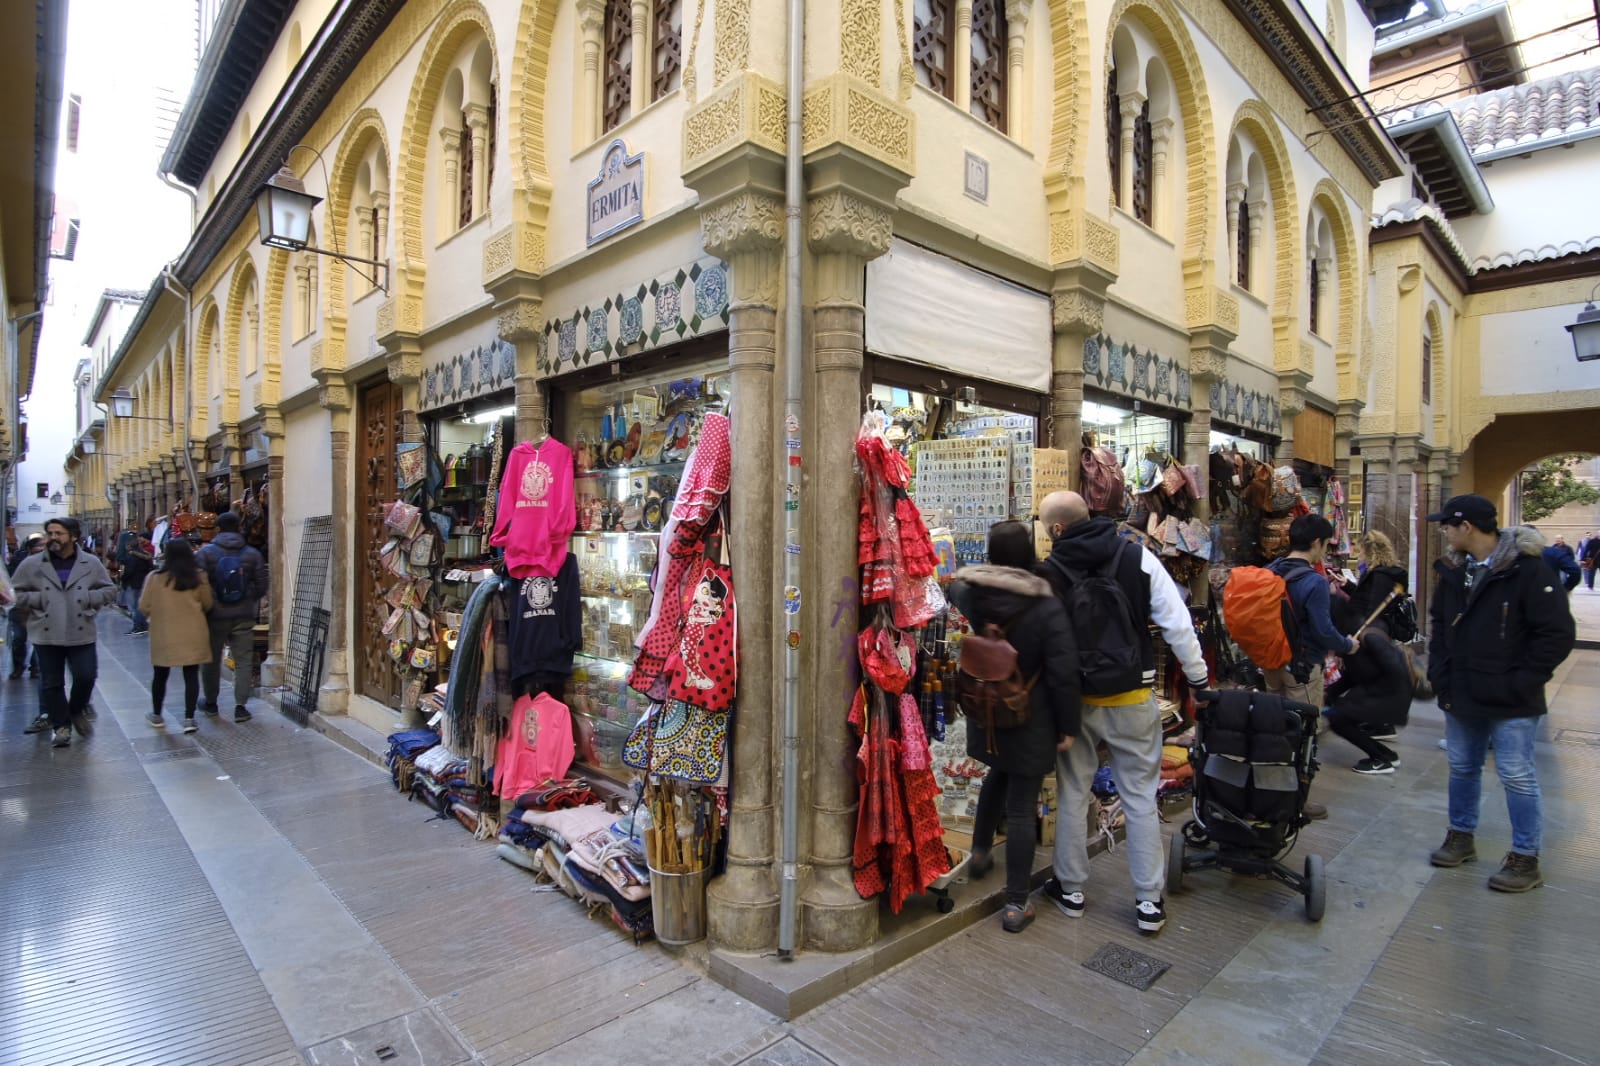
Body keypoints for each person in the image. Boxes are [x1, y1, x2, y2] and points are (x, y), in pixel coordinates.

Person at [1036, 491, 1209, 935]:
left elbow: (1044, 644)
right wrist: (1198, 679)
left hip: (1077, 699)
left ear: (1058, 529)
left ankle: (1071, 889)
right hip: (1133, 693)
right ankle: (1149, 902)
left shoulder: (1051, 571)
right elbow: (1177, 622)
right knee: (1139, 794)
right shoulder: (1138, 557)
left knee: (1074, 789)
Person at [1426, 495, 1574, 892]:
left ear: (1467, 527)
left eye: (1447, 525)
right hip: (1462, 689)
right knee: (1462, 765)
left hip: (1511, 697)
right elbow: (1440, 625)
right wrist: (1440, 673)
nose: (1443, 532)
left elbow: (1556, 634)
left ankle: (1525, 858)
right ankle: (1461, 836)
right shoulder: (1455, 571)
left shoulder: (1528, 571)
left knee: (1516, 774)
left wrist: (1523, 681)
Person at [948, 520, 1081, 934]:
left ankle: (982, 852)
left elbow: (952, 590)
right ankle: (1015, 903)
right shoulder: (1046, 604)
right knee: (1023, 803)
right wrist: (1068, 725)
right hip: (1030, 711)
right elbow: (1062, 670)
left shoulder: (970, 592)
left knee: (996, 775)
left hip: (986, 705)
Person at [11, 517, 118, 748]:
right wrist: (39, 599)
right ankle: (61, 727)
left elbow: (110, 590)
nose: (53, 538)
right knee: (51, 683)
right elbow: (14, 593)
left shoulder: (90, 563)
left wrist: (88, 598)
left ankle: (75, 710)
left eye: (58, 533)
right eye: (50, 533)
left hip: (81, 630)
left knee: (86, 676)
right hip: (45, 631)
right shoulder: (32, 564)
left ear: (73, 536)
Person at [195, 511, 267, 723]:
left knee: (211, 660)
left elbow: (199, 583)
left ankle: (210, 702)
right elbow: (262, 584)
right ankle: (240, 706)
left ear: (217, 528)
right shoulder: (252, 554)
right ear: (239, 527)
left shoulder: (206, 553)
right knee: (244, 660)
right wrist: (248, 599)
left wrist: (212, 603)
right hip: (244, 615)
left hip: (215, 616)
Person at [138, 539, 213, 733]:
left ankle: (156, 714)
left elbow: (144, 606)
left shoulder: (155, 578)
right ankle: (189, 718)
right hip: (193, 632)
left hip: (164, 633)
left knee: (160, 674)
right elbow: (208, 603)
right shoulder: (199, 577)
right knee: (191, 674)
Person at [1325, 629, 1413, 774]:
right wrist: (1330, 694)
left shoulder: (1368, 638)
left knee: (1339, 719)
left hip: (1389, 698)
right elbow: (1354, 675)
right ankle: (1387, 755)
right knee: (1339, 717)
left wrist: (1361, 700)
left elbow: (1394, 673)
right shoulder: (1358, 639)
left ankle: (1380, 760)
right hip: (1384, 696)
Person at [1341, 530, 1410, 638]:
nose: (1358, 555)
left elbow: (1374, 608)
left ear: (1370, 552)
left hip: (1372, 631)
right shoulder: (1380, 572)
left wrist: (1360, 631)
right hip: (1373, 628)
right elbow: (1365, 596)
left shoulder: (1381, 575)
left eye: (1360, 551)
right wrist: (1347, 585)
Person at [10, 533, 45, 690]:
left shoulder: (51, 562)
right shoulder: (19, 561)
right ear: (30, 548)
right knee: (18, 639)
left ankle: (35, 668)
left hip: (41, 608)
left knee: (39, 641)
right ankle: (18, 665)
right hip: (19, 608)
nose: (41, 549)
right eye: (38, 546)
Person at [118, 531, 155, 634]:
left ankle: (138, 626)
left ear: (129, 546)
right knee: (140, 604)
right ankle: (143, 625)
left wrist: (123, 579)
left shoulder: (131, 557)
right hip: (143, 581)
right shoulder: (145, 554)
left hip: (133, 583)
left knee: (134, 606)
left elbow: (128, 571)